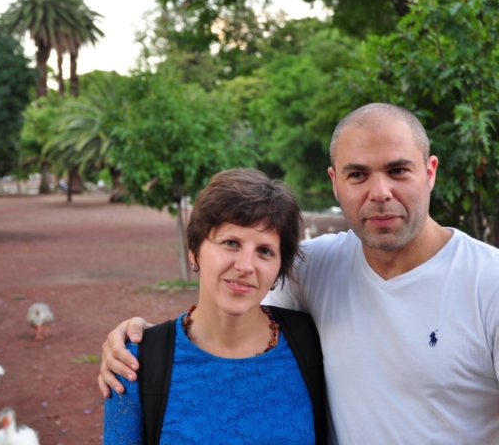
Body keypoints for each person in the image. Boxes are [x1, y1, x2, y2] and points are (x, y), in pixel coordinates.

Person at [99, 103, 499, 444]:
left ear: (429, 172)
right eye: (358, 174)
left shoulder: (488, 283)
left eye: (398, 170)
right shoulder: (316, 267)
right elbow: (231, 303)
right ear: (335, 183)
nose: (380, 192)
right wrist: (142, 339)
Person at [103, 168, 327, 444]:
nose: (245, 266)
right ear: (194, 250)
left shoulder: (310, 342)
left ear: (279, 269)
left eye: (265, 251)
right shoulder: (136, 361)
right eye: (231, 243)